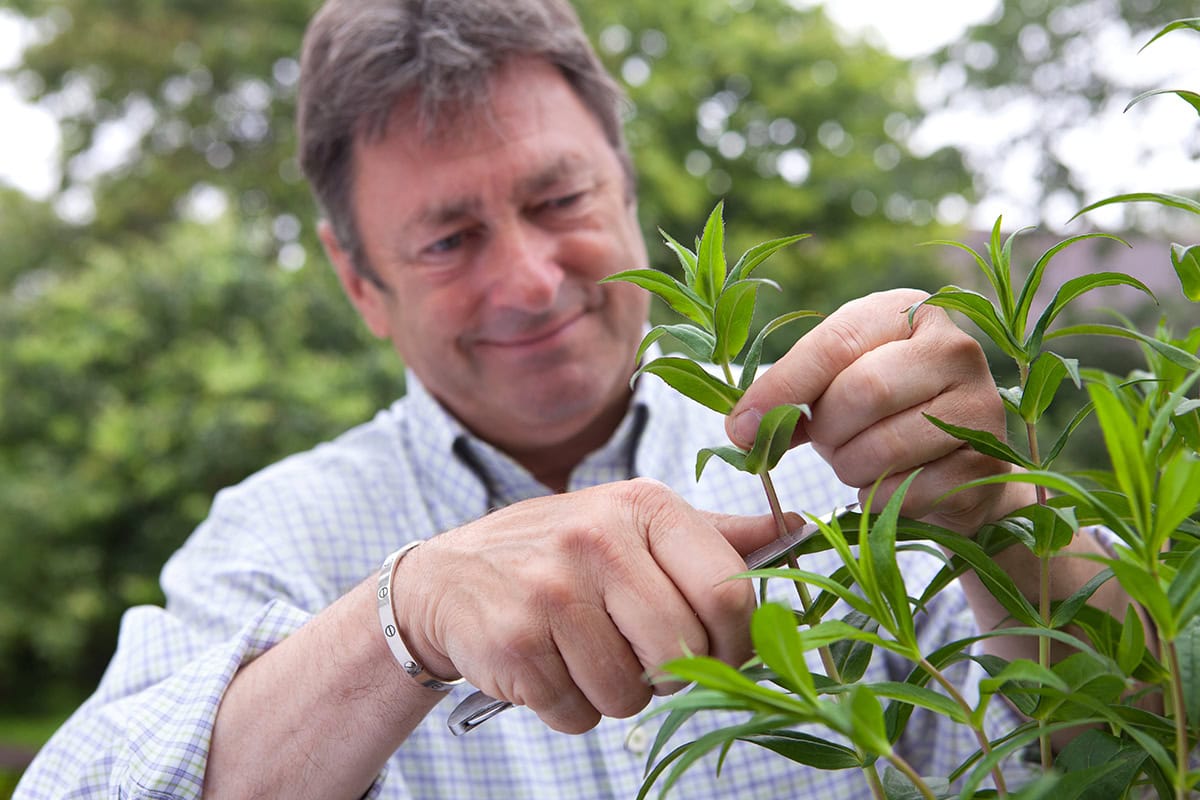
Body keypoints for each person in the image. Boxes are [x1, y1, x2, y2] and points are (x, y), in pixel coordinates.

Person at [16, 1, 1132, 798]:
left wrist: (1007, 527)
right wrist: (399, 617)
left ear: (629, 189)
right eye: (449, 237)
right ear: (361, 282)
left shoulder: (842, 457)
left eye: (559, 197)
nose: (532, 278)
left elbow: (1131, 743)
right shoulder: (273, 536)